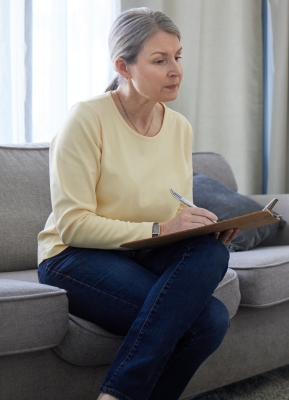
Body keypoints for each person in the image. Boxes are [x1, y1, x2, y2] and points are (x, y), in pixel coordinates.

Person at [37, 8, 238, 400]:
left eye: (178, 57)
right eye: (160, 61)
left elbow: (172, 210)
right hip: (73, 256)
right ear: (123, 67)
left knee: (210, 250)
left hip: (140, 251)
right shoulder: (86, 118)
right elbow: (74, 224)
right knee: (208, 320)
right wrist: (164, 230)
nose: (175, 70)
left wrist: (192, 225)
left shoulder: (178, 127)